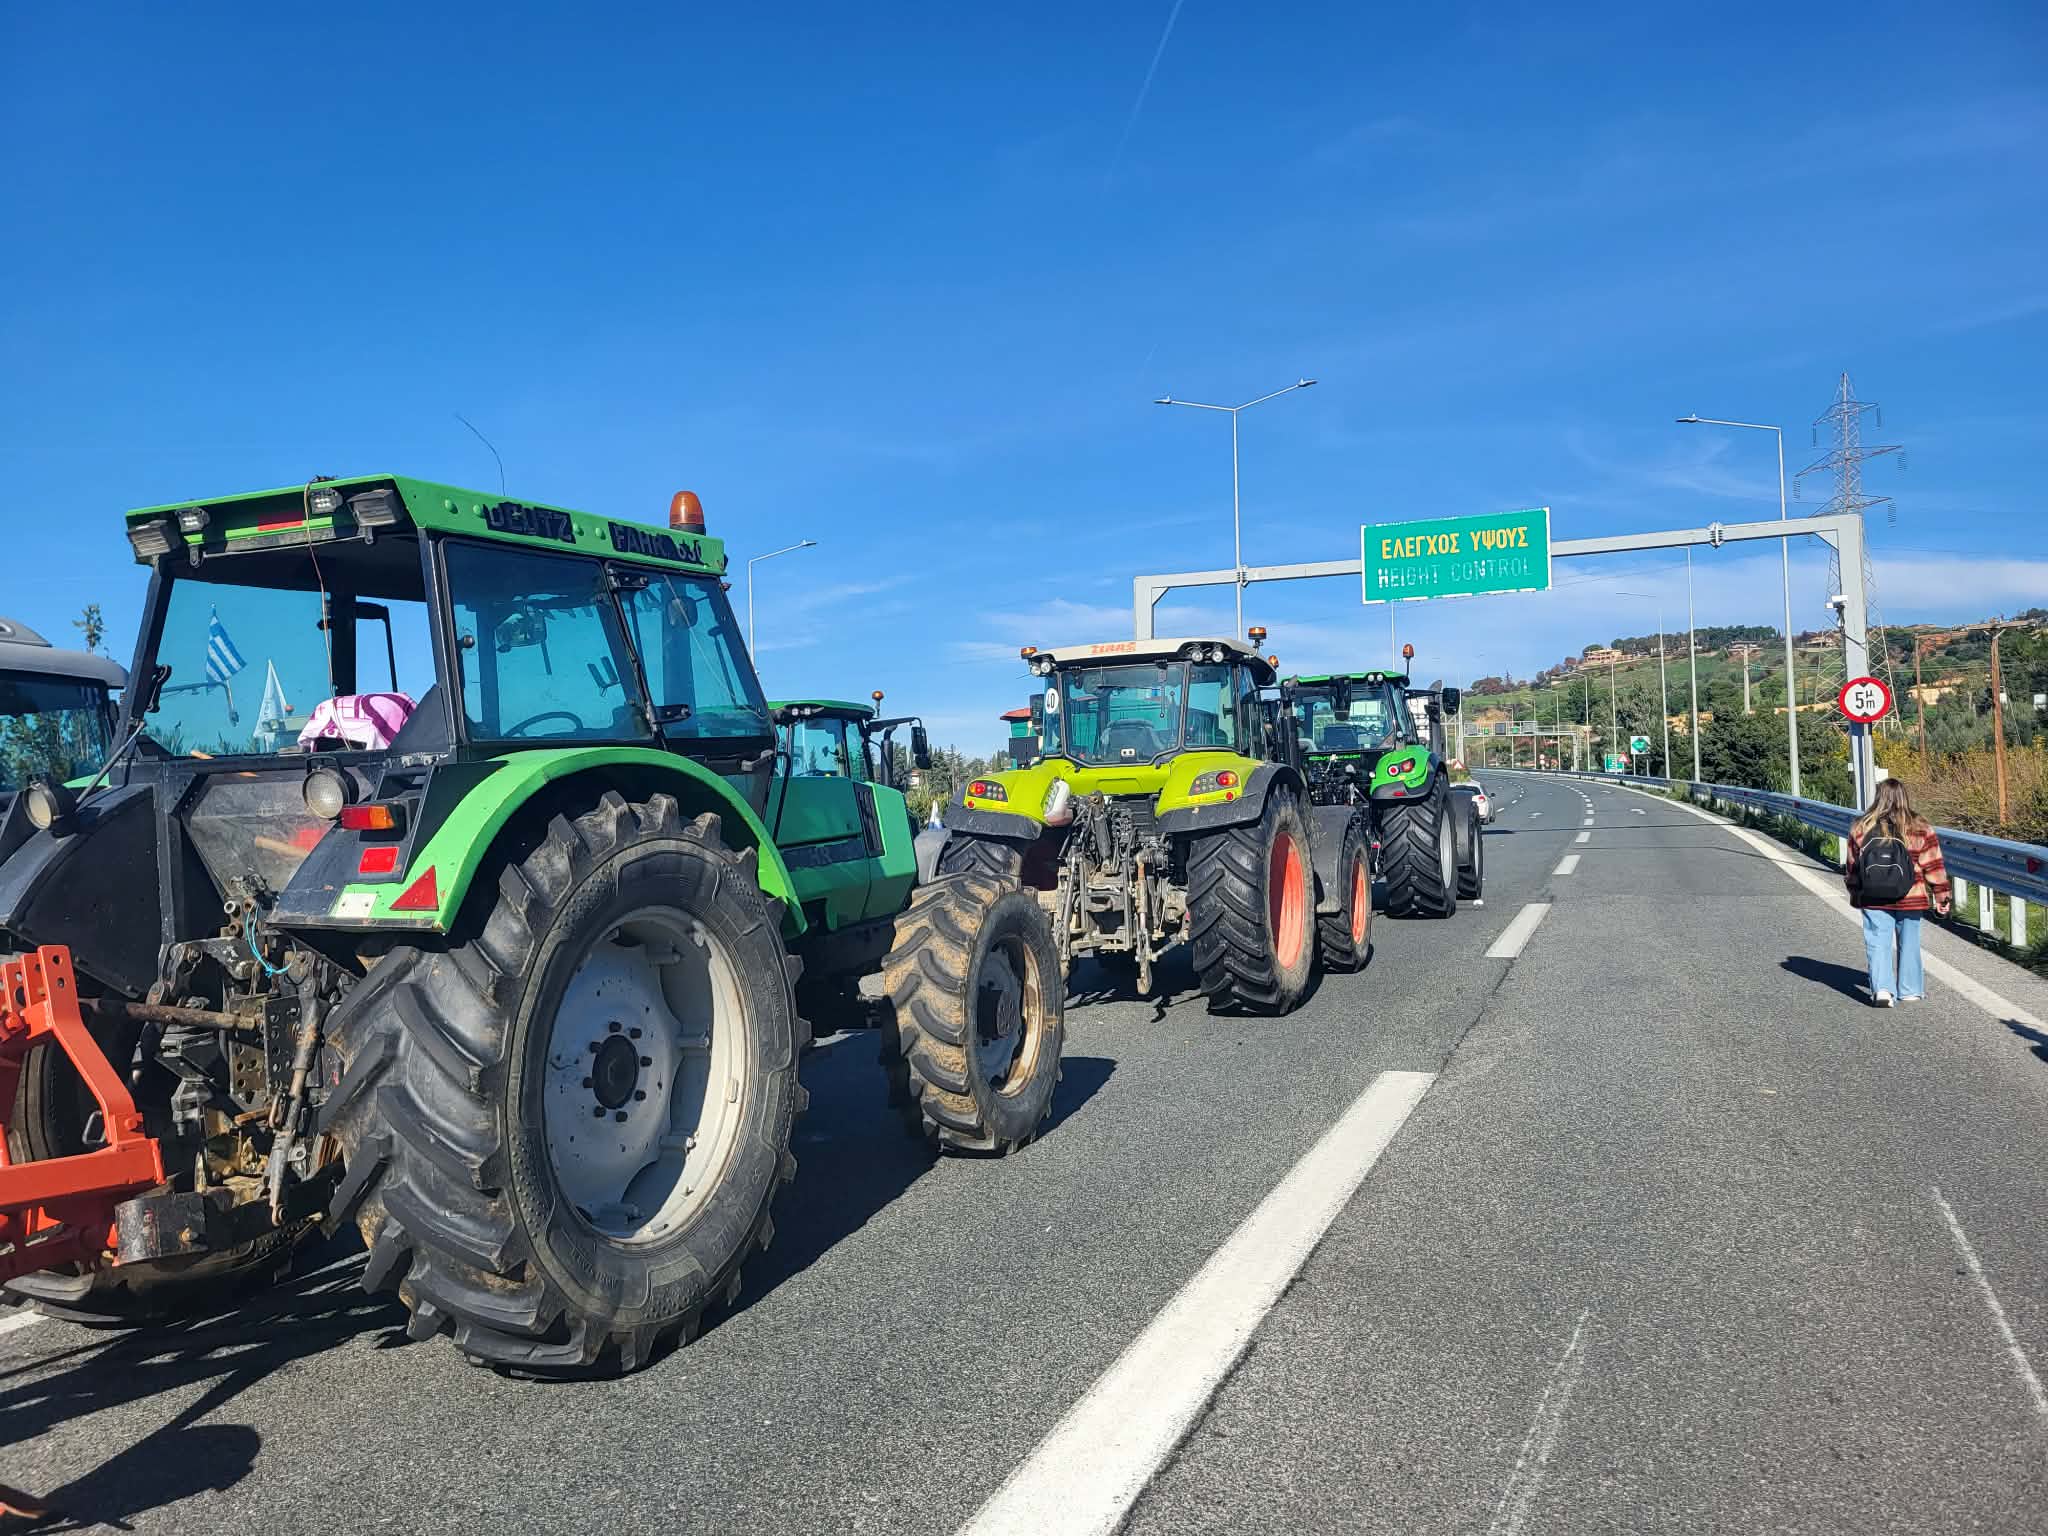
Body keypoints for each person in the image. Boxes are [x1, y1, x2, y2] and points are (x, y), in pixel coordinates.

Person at [1844, 778, 1951, 1007]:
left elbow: (1853, 866)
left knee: (1877, 942)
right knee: (1909, 942)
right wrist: (1942, 895)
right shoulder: (1920, 826)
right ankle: (1909, 990)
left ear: (1879, 796)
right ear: (1904, 796)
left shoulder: (1861, 826)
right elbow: (1933, 865)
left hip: (1873, 896)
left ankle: (1883, 990)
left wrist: (1856, 893)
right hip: (1911, 896)